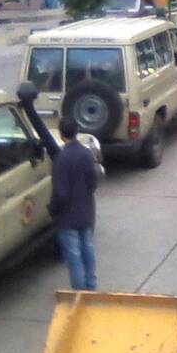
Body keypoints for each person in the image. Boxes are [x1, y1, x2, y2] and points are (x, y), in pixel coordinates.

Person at [50, 117, 100, 291]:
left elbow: (60, 193)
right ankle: (91, 288)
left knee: (74, 257)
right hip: (85, 212)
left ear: (62, 134)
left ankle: (80, 293)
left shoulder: (61, 159)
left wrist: (53, 210)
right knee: (87, 251)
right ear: (76, 132)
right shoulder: (86, 154)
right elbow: (93, 181)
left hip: (67, 217)